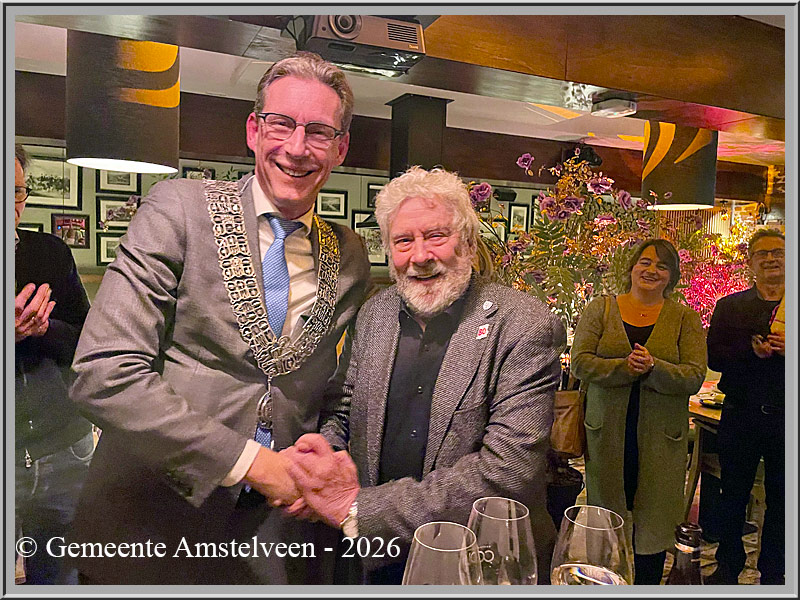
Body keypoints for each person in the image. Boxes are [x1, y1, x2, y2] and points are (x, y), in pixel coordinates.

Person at [67, 52, 371, 585]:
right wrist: (254, 463)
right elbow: (104, 371)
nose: (297, 147)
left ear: (341, 148)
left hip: (273, 543)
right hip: (147, 524)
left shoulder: (350, 255)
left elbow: (330, 392)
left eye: (319, 132)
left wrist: (324, 453)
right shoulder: (178, 210)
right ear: (254, 130)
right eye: (281, 123)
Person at [282, 166, 566, 584]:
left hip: (476, 563)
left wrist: (359, 508)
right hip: (373, 558)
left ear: (468, 244)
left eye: (436, 236)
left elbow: (507, 472)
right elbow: (342, 409)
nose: (419, 256)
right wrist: (321, 465)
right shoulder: (375, 314)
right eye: (403, 241)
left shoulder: (524, 325)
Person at [571, 239, 707, 585]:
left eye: (662, 266)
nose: (651, 270)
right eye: (645, 262)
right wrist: (624, 367)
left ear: (671, 276)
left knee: (654, 521)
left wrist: (654, 367)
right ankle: (605, 581)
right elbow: (580, 363)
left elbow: (694, 376)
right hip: (607, 433)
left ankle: (646, 586)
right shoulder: (601, 309)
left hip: (661, 438)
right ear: (631, 268)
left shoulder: (685, 318)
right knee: (606, 518)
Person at [14, 143, 94, 584]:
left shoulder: (50, 252)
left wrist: (42, 328)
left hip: (65, 449)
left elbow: (86, 341)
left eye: (16, 192)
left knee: (62, 582)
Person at [705, 229, 785, 585]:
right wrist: (749, 351)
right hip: (741, 412)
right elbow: (714, 357)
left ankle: (775, 573)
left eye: (778, 252)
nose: (770, 259)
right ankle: (728, 566)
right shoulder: (731, 306)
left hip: (787, 417)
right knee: (733, 494)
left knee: (784, 499)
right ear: (751, 261)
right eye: (762, 253)